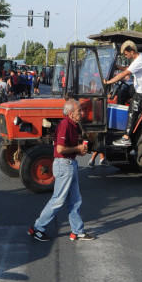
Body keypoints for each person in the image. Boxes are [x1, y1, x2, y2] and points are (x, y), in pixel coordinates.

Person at [29, 99, 97, 241]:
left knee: (75, 199)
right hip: (64, 165)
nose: (82, 113)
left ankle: (77, 231)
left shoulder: (72, 124)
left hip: (68, 163)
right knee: (58, 200)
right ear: (71, 113)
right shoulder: (65, 125)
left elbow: (64, 149)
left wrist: (78, 151)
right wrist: (77, 149)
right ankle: (37, 228)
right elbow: (60, 149)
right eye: (79, 111)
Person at [104, 40, 142, 146]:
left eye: (126, 54)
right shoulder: (139, 57)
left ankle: (126, 138)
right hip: (136, 87)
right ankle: (120, 123)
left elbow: (125, 73)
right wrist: (118, 67)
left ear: (131, 51)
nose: (125, 56)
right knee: (121, 94)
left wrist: (108, 82)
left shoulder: (140, 60)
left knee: (132, 111)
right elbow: (127, 68)